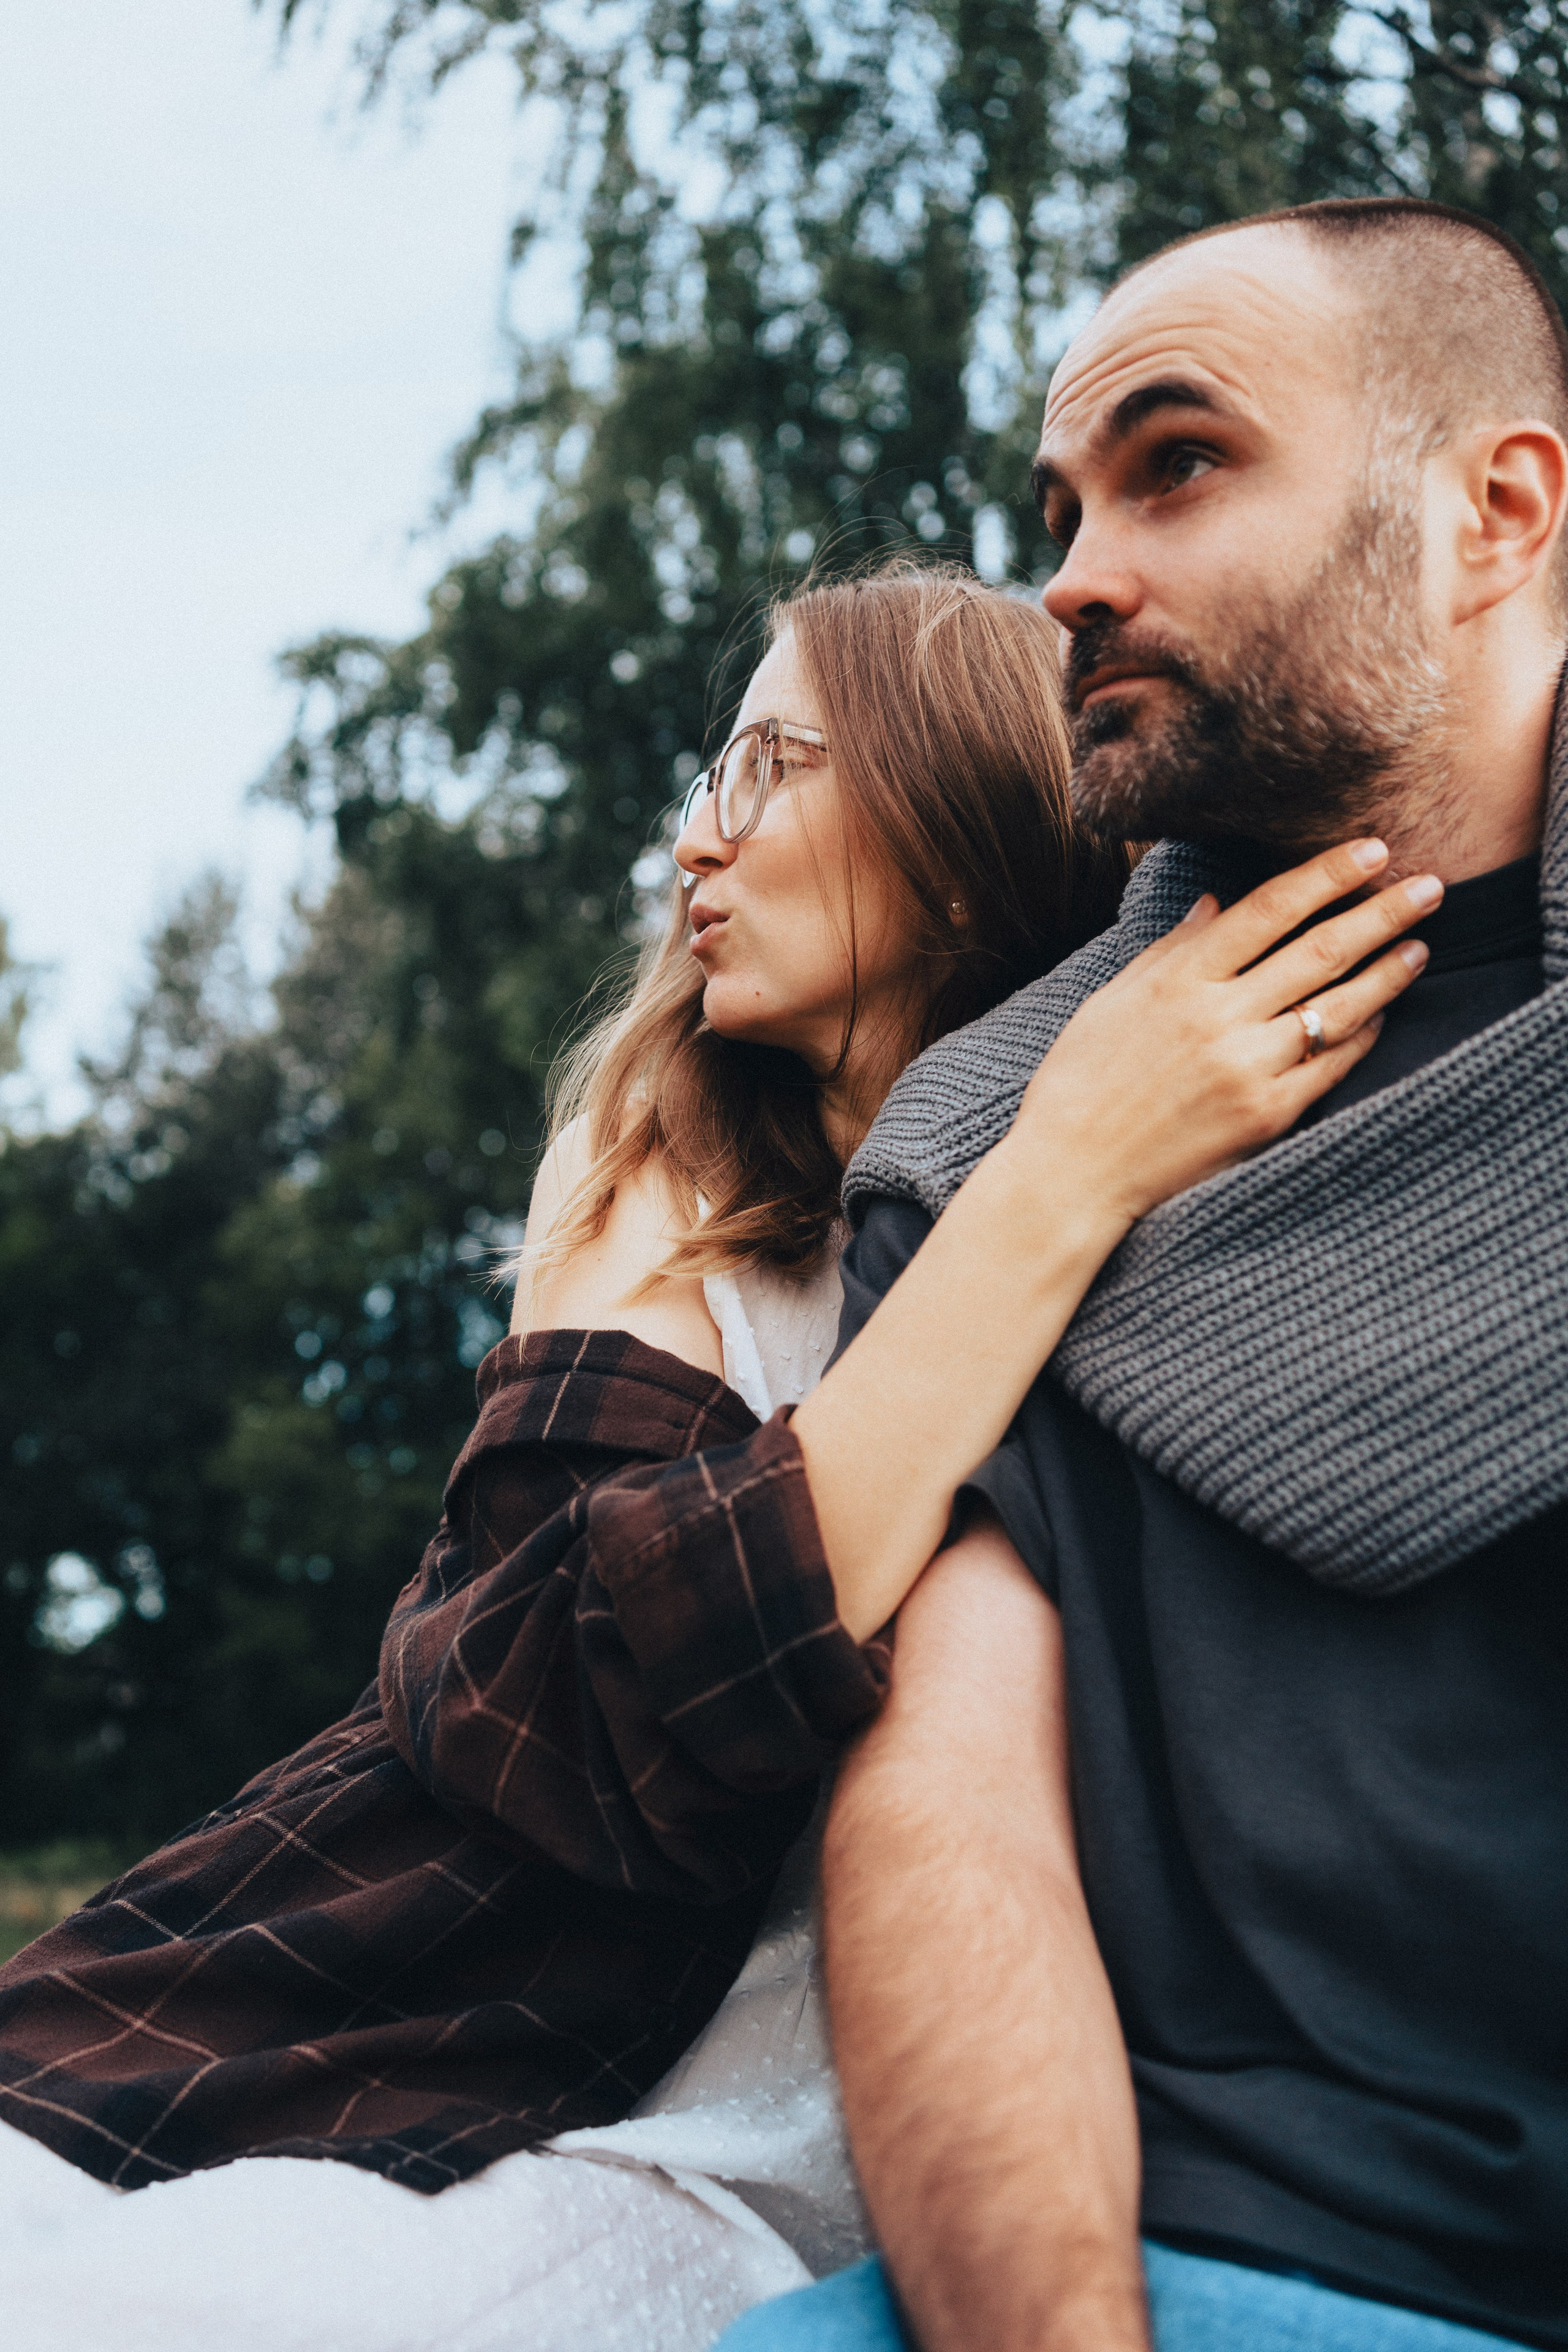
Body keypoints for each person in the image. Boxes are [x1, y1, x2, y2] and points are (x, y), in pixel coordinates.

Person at [0, 562, 1428, 2352]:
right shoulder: (668, 1183)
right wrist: (1059, 1174)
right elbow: (556, 1718)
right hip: (368, 2053)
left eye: (771, 764)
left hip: (808, 2158)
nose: (697, 839)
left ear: (955, 841)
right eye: (710, 771)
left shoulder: (1176, 1233)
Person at [715, 200, 1568, 2352]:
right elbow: (949, 1818)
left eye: (1178, 464)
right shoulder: (1000, 1138)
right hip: (1186, 2255)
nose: (1074, 573)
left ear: (1497, 511)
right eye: (1061, 504)